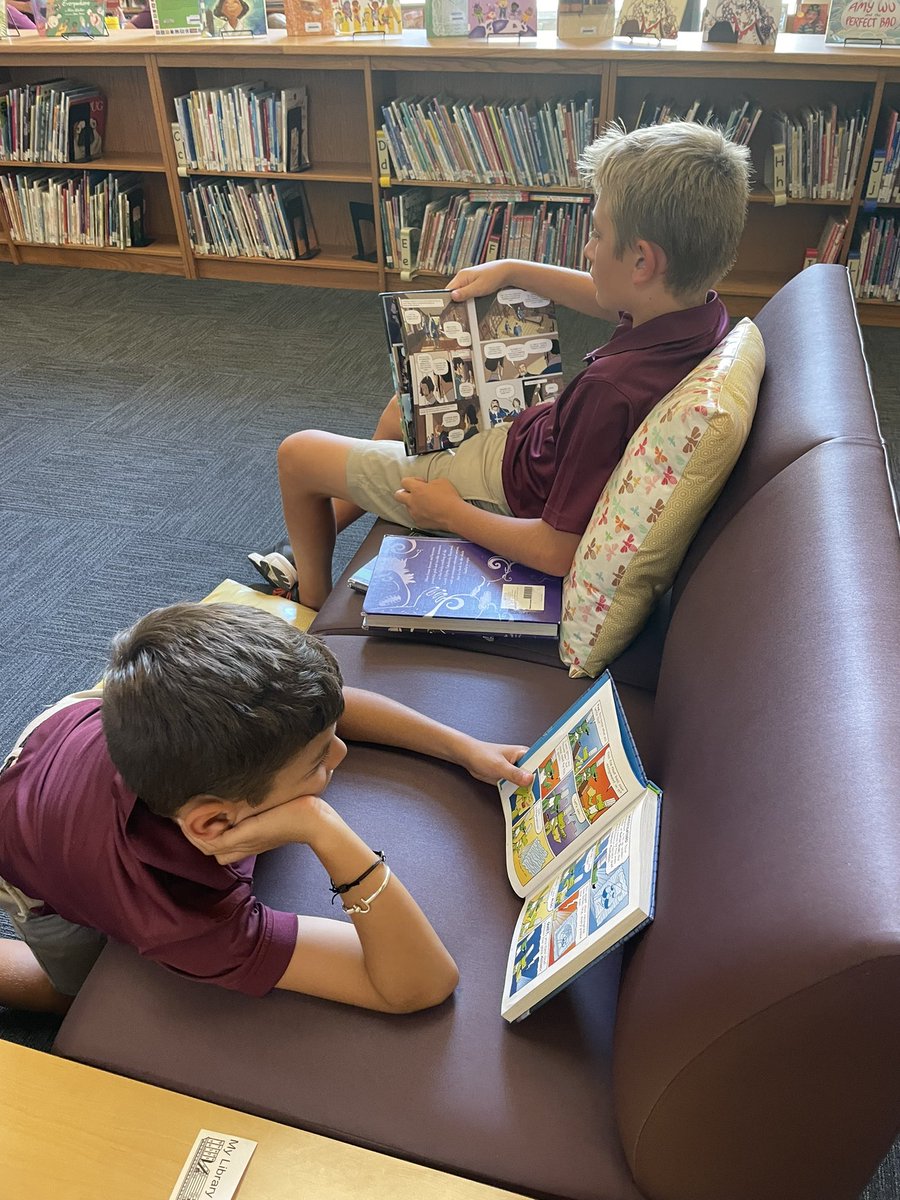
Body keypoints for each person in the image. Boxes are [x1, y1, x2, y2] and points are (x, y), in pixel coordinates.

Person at [250, 121, 750, 610]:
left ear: (642, 262)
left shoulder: (609, 392)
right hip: (529, 446)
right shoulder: (698, 311)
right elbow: (604, 297)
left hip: (500, 490)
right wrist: (512, 268)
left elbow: (557, 550)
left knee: (298, 456)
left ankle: (309, 599)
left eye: (596, 235)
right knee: (401, 412)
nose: (588, 251)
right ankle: (311, 543)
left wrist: (451, 514)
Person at [0, 603, 531, 1016]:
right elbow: (422, 984)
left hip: (74, 722)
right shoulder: (183, 916)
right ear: (213, 823)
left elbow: (326, 712)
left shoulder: (187, 753)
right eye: (319, 764)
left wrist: (462, 746)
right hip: (23, 844)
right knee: (74, 993)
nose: (342, 753)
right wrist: (322, 827)